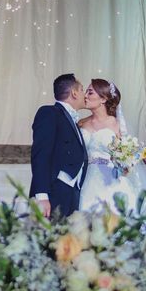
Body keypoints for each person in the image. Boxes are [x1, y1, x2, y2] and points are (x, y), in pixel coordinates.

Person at [30, 74, 88, 219]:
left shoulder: (74, 120)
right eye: (82, 90)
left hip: (72, 192)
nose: (84, 94)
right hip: (54, 191)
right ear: (74, 93)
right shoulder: (49, 113)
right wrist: (42, 196)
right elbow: (41, 155)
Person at [78, 79, 140, 211]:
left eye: (90, 92)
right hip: (85, 178)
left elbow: (127, 152)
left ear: (103, 99)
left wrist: (126, 163)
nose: (85, 96)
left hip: (110, 178)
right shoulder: (81, 123)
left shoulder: (117, 124)